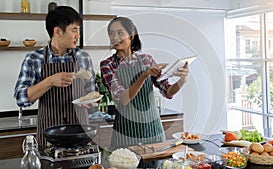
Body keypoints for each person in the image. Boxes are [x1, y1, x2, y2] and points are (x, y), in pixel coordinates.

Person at [100, 17, 189, 149]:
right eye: (111, 33)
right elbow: (123, 99)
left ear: (131, 36)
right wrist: (144, 75)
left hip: (153, 132)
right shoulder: (108, 65)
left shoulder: (147, 60)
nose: (114, 37)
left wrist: (183, 80)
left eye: (120, 33)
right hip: (126, 133)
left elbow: (168, 91)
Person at [14, 6, 96, 148]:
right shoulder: (34, 59)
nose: (79, 36)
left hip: (80, 135)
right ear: (57, 31)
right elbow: (21, 99)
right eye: (74, 30)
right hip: (49, 137)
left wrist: (91, 101)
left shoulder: (83, 57)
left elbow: (91, 92)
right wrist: (50, 81)